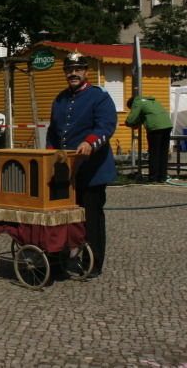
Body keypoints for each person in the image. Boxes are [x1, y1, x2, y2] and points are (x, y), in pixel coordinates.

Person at [46, 52, 117, 278]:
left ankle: (92, 263)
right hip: (65, 171)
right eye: (69, 70)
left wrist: (89, 143)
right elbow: (53, 132)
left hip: (91, 169)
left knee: (91, 219)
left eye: (78, 69)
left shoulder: (100, 96)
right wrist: (49, 154)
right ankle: (58, 261)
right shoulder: (60, 99)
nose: (73, 73)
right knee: (61, 218)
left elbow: (106, 126)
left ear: (86, 71)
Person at [125, 96, 173, 182]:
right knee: (163, 153)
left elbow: (131, 119)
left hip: (155, 127)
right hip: (167, 125)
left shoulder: (137, 102)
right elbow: (147, 115)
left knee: (154, 153)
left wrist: (130, 124)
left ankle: (153, 177)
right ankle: (163, 177)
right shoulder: (152, 101)